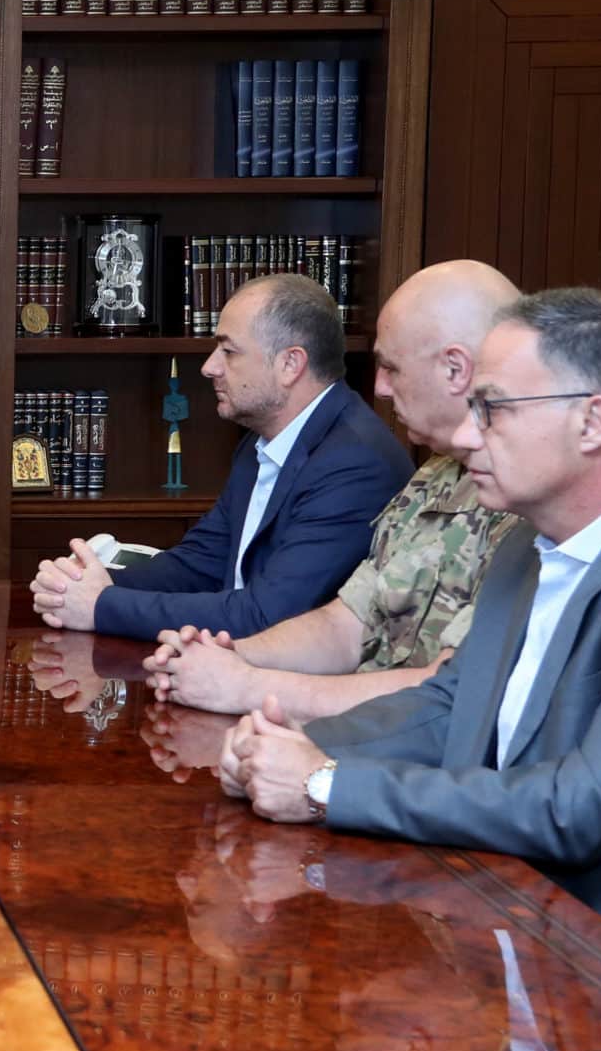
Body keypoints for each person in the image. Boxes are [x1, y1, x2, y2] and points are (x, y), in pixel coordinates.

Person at [218, 287, 601, 924]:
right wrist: (286, 748)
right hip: (511, 900)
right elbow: (452, 703)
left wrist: (324, 785)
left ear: (592, 421)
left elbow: (582, 809)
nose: (466, 433)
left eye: (492, 409)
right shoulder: (530, 538)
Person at [144, 259, 522, 723]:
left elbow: (454, 691)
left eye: (390, 367)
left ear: (456, 368)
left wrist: (249, 686)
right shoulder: (435, 476)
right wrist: (227, 657)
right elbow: (345, 625)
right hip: (359, 741)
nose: (379, 388)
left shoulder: (529, 501)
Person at [30, 273, 409, 640]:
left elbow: (266, 618)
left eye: (228, 351)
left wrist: (102, 606)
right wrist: (83, 584)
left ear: (291, 364)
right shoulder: (260, 441)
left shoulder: (354, 464)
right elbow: (202, 562)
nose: (209, 367)